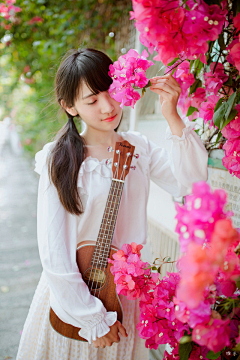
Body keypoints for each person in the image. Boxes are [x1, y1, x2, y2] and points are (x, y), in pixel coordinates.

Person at [16, 48, 208, 360]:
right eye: (92, 100)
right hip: (72, 303)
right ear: (70, 106)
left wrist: (172, 114)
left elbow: (189, 182)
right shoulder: (60, 158)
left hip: (122, 295)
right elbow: (54, 252)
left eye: (111, 92)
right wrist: (92, 319)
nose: (108, 106)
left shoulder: (138, 148)